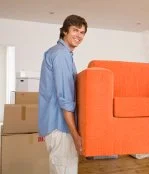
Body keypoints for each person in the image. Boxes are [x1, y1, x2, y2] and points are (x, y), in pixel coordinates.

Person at [38, 14, 88, 174]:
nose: (79, 36)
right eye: (75, 30)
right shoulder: (61, 55)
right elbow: (65, 99)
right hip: (60, 127)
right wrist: (75, 134)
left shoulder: (57, 53)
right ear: (65, 31)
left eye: (82, 32)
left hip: (54, 126)